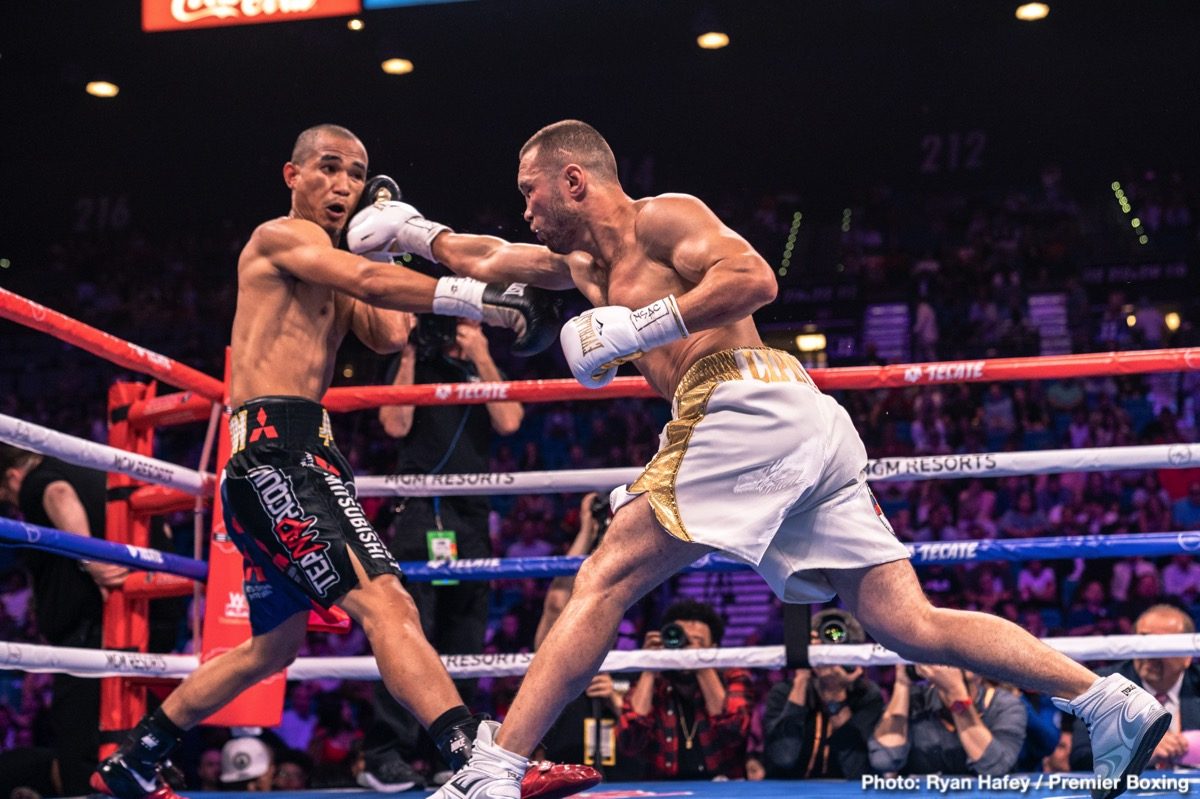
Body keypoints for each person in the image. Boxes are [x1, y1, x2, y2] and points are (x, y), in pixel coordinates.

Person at [346, 119, 1169, 799]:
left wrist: (636, 329)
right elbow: (485, 257)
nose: (522, 208)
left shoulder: (663, 219)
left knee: (605, 574)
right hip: (797, 423)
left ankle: (495, 767)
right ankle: (1105, 700)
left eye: (530, 190)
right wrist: (415, 231)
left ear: (574, 180)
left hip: (742, 398)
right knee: (905, 623)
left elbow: (754, 278)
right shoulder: (578, 264)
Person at [90, 124, 581, 799]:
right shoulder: (280, 238)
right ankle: (474, 760)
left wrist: (391, 241)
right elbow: (356, 276)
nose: (345, 184)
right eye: (329, 168)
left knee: (272, 648)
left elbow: (388, 325)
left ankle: (135, 758)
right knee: (388, 604)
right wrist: (479, 299)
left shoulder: (337, 257)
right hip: (277, 459)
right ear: (292, 175)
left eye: (357, 173)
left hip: (297, 458)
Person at [360, 315, 523, 791]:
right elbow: (393, 423)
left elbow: (510, 420)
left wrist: (482, 354)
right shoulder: (417, 363)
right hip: (419, 510)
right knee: (410, 628)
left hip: (470, 515)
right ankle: (385, 753)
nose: (458, 330)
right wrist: (409, 353)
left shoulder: (481, 367)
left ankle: (458, 751)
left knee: (465, 634)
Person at [0, 444, 129, 797]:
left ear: (12, 476)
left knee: (80, 743)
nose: (16, 505)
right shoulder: (89, 472)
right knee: (117, 738)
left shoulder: (39, 480)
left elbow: (57, 495)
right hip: (117, 624)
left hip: (89, 632)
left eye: (8, 498)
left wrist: (93, 559)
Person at [618, 600, 752, 780]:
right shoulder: (653, 683)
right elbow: (629, 742)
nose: (687, 648)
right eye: (682, 640)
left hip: (722, 789)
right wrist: (648, 665)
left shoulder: (732, 677)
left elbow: (733, 732)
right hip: (665, 791)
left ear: (714, 648)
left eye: (698, 641)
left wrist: (701, 662)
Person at [1068, 604, 1200, 771]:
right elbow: (1081, 758)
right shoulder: (1103, 685)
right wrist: (1138, 753)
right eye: (1143, 641)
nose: (1150, 654)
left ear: (1187, 655)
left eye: (1162, 644)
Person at [761, 609, 883, 779]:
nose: (830, 651)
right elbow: (783, 758)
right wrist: (802, 675)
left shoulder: (867, 696)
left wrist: (836, 698)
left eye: (838, 645)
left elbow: (858, 772)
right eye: (824, 644)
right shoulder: (783, 692)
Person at [870, 665, 1027, 776]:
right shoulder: (915, 699)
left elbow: (995, 768)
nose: (953, 662)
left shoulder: (1005, 706)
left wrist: (955, 692)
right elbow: (883, 761)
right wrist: (902, 683)